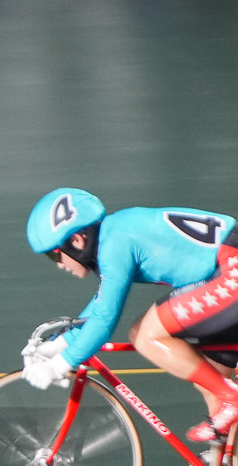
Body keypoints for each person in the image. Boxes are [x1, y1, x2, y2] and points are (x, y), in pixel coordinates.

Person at [23, 188, 238, 443]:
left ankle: (232, 399)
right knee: (210, 382)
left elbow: (104, 320)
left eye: (53, 255)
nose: (58, 265)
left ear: (77, 240)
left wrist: (60, 365)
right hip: (225, 267)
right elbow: (103, 303)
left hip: (229, 269)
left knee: (145, 335)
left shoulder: (114, 246)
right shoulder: (115, 232)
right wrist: (60, 344)